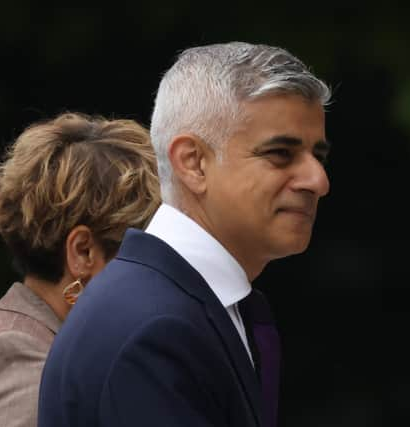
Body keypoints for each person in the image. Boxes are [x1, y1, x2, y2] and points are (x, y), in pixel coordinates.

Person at [39, 42, 331, 427]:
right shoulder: (152, 328)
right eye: (280, 153)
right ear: (193, 163)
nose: (318, 180)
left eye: (319, 156)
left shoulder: (181, 306)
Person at [0, 112, 160, 427]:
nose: (159, 277)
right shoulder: (21, 361)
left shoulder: (48, 349)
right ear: (83, 252)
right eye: (144, 253)